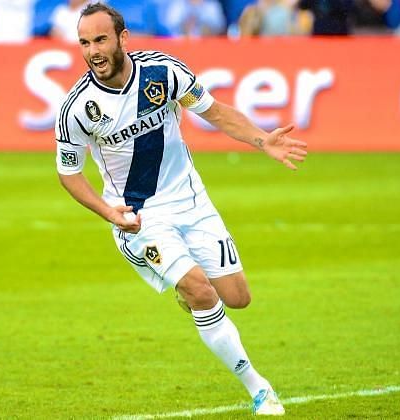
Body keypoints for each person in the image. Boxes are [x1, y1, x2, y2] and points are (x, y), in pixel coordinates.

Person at [55, 2, 307, 416]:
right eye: (84, 42)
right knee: (201, 290)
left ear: (122, 38)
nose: (92, 51)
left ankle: (187, 294)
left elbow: (216, 112)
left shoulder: (165, 73)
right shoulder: (78, 107)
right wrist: (107, 211)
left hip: (192, 202)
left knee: (237, 297)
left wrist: (264, 141)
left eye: (100, 39)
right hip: (140, 219)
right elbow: (69, 174)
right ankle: (259, 389)